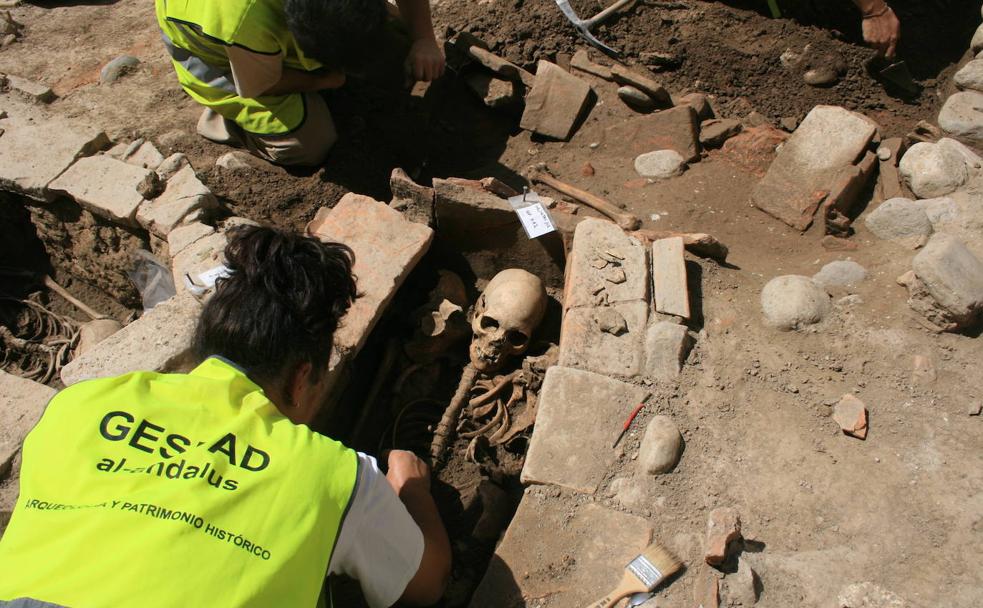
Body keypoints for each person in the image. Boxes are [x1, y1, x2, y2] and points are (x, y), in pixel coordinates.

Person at [0, 226, 452, 607]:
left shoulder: (79, 404)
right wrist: (414, 490)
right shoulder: (336, 476)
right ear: (301, 379)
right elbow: (428, 583)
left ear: (202, 351)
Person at [155, 0, 446, 167]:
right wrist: (323, 80)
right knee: (306, 145)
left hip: (278, 30)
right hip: (211, 49)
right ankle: (225, 122)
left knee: (400, 43)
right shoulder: (243, 22)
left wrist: (424, 39)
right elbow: (261, 85)